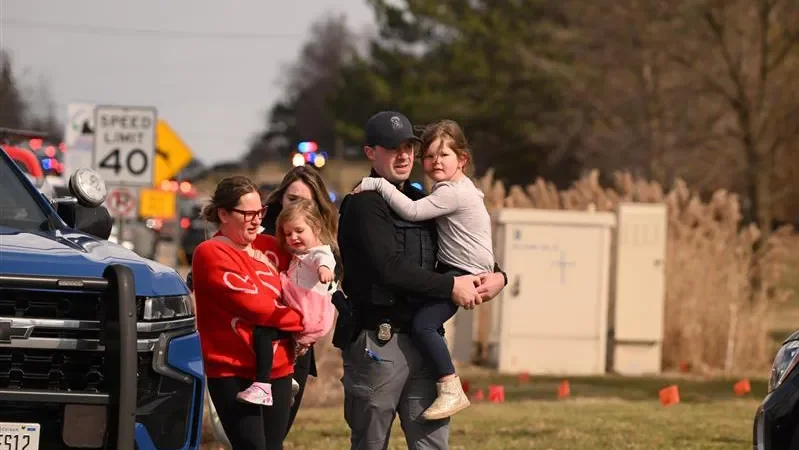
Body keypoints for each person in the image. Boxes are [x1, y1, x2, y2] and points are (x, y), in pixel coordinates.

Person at [335, 111, 507, 450]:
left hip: (424, 343)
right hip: (379, 342)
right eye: (391, 148)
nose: (404, 156)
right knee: (371, 444)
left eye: (409, 147)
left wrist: (499, 275)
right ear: (371, 152)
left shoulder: (420, 197)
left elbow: (459, 244)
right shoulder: (364, 203)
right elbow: (389, 268)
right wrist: (450, 287)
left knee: (432, 445)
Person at [192, 175, 304, 450]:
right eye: (247, 214)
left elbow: (307, 283)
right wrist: (302, 321)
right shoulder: (211, 252)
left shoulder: (269, 252)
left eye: (260, 212)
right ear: (224, 214)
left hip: (278, 368)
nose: (256, 220)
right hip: (233, 370)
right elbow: (257, 309)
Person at [260, 165, 340, 434]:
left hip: (298, 345)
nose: (296, 206)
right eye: (292, 199)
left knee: (279, 429)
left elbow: (326, 296)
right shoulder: (259, 235)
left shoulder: (322, 249)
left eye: (306, 201)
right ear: (280, 198)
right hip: (257, 338)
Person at [237, 198, 338, 406]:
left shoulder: (317, 253)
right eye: (288, 233)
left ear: (316, 227)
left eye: (299, 231)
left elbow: (324, 259)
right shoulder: (299, 256)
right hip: (301, 315)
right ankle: (286, 379)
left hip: (307, 315)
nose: (293, 237)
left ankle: (263, 385)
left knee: (263, 333)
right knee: (283, 345)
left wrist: (324, 270)